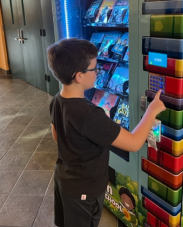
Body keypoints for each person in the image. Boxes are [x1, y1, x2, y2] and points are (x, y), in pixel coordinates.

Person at [47, 38, 166, 227]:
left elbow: (57, 136)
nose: (98, 72)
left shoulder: (57, 100)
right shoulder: (90, 115)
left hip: (64, 179)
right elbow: (134, 143)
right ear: (79, 76)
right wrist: (151, 111)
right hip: (85, 189)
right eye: (95, 69)